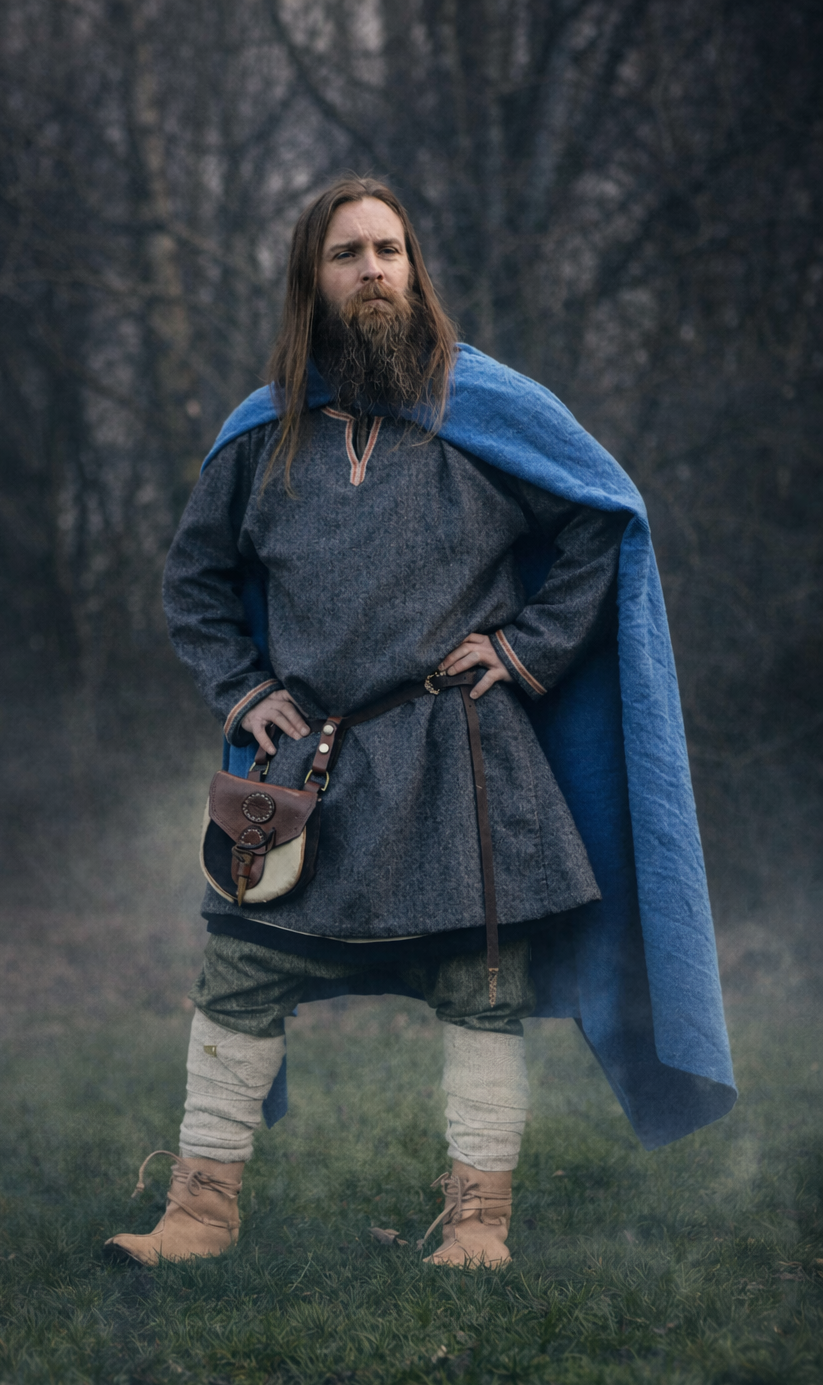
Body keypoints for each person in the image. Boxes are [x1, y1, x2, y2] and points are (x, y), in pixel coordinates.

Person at [106, 177, 735, 1270]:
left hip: (461, 757)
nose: (373, 270)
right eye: (346, 254)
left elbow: (602, 519)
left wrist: (527, 648)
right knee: (243, 970)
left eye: (389, 249)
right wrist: (242, 689)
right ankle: (199, 1213)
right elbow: (195, 584)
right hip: (308, 763)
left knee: (476, 989)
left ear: (415, 267)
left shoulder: (485, 411)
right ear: (314, 279)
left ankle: (478, 1223)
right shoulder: (263, 437)